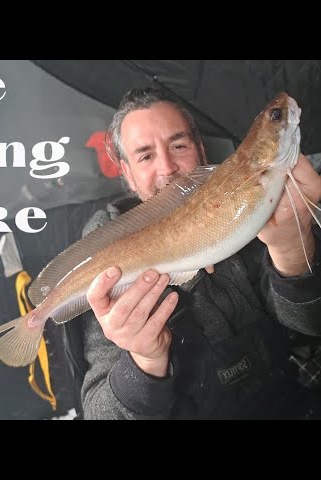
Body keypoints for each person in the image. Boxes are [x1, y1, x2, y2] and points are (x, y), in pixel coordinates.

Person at [76, 87, 321, 419]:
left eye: (179, 145)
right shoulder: (105, 253)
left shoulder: (256, 204)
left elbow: (309, 323)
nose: (167, 168)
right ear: (126, 172)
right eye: (145, 155)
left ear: (201, 149)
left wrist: (292, 246)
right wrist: (145, 360)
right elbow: (98, 413)